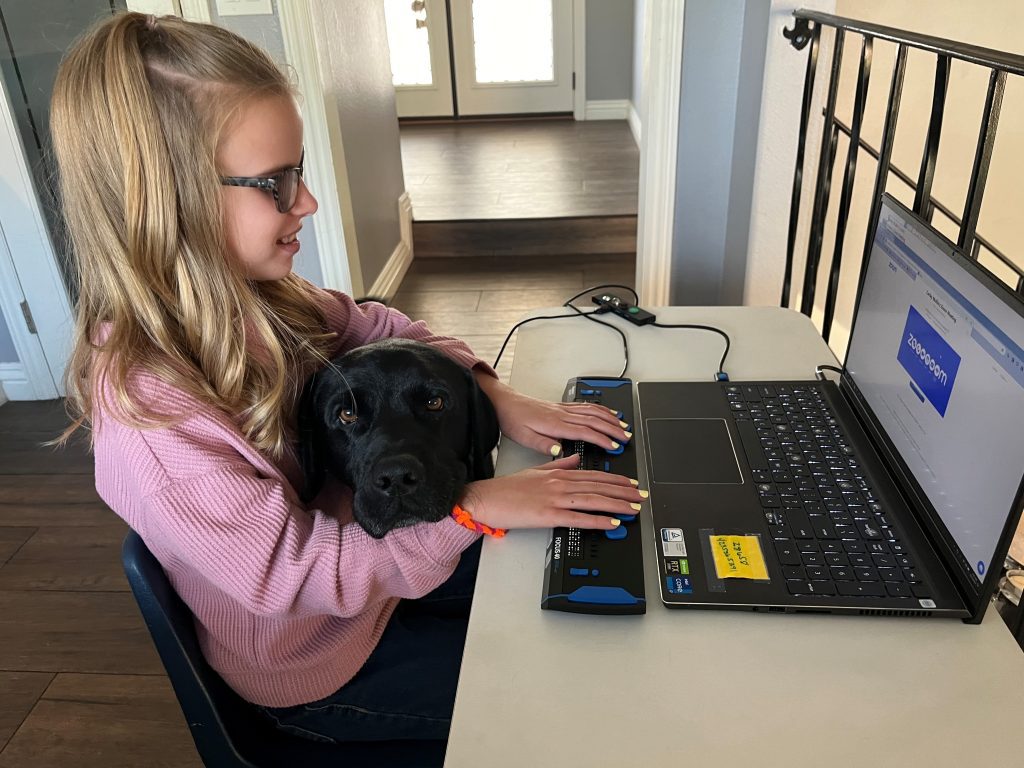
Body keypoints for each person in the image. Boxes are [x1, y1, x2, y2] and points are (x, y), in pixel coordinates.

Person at [50, 11, 646, 747]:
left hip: (377, 586)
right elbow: (296, 577)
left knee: (583, 587)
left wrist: (498, 397)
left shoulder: (263, 303)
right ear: (168, 198)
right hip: (320, 665)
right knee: (574, 695)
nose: (306, 203)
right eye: (275, 182)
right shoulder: (155, 421)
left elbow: (384, 327)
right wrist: (471, 505)